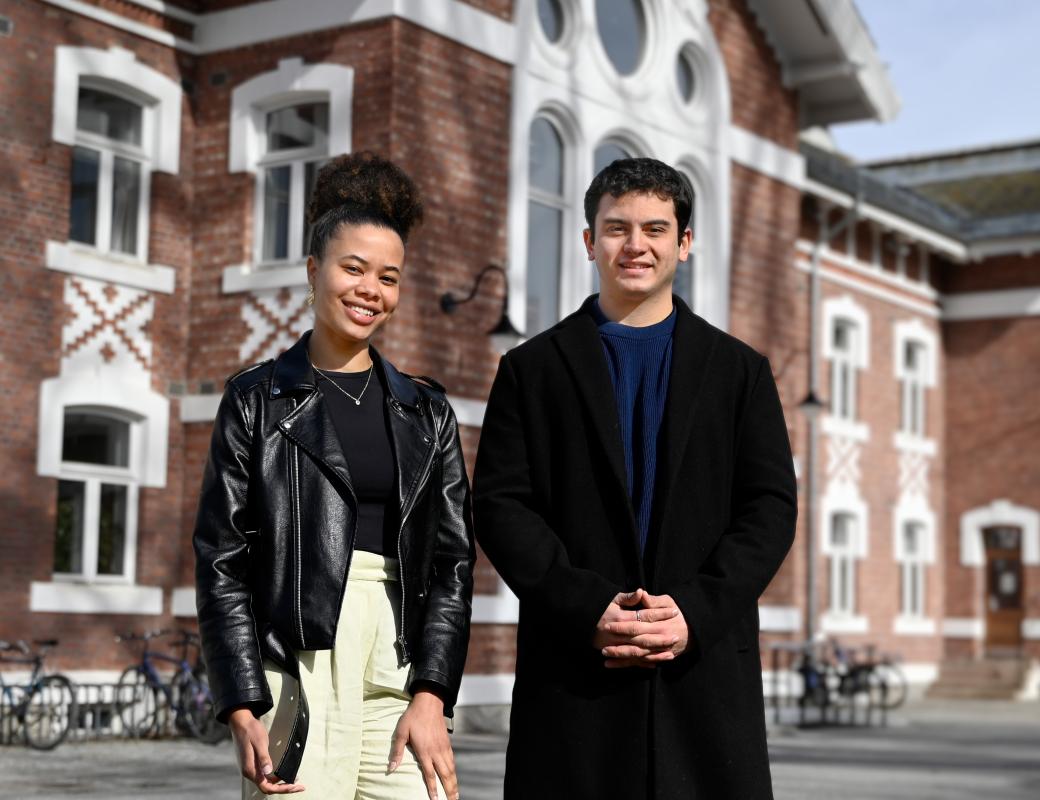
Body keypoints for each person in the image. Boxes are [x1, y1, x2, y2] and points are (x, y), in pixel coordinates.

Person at [473, 157, 797, 799]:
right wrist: (587, 606)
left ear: (684, 242)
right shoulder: (531, 369)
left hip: (702, 679)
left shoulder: (740, 372)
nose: (636, 245)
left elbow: (770, 508)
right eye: (617, 228)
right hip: (576, 674)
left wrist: (695, 613)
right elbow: (502, 506)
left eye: (655, 228)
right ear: (590, 242)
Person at [194, 151, 474, 800]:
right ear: (315, 270)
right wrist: (241, 703)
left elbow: (452, 562)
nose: (370, 290)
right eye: (353, 268)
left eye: (389, 276)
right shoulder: (255, 400)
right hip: (293, 665)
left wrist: (433, 695)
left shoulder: (426, 413)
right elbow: (220, 558)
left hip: (397, 666)